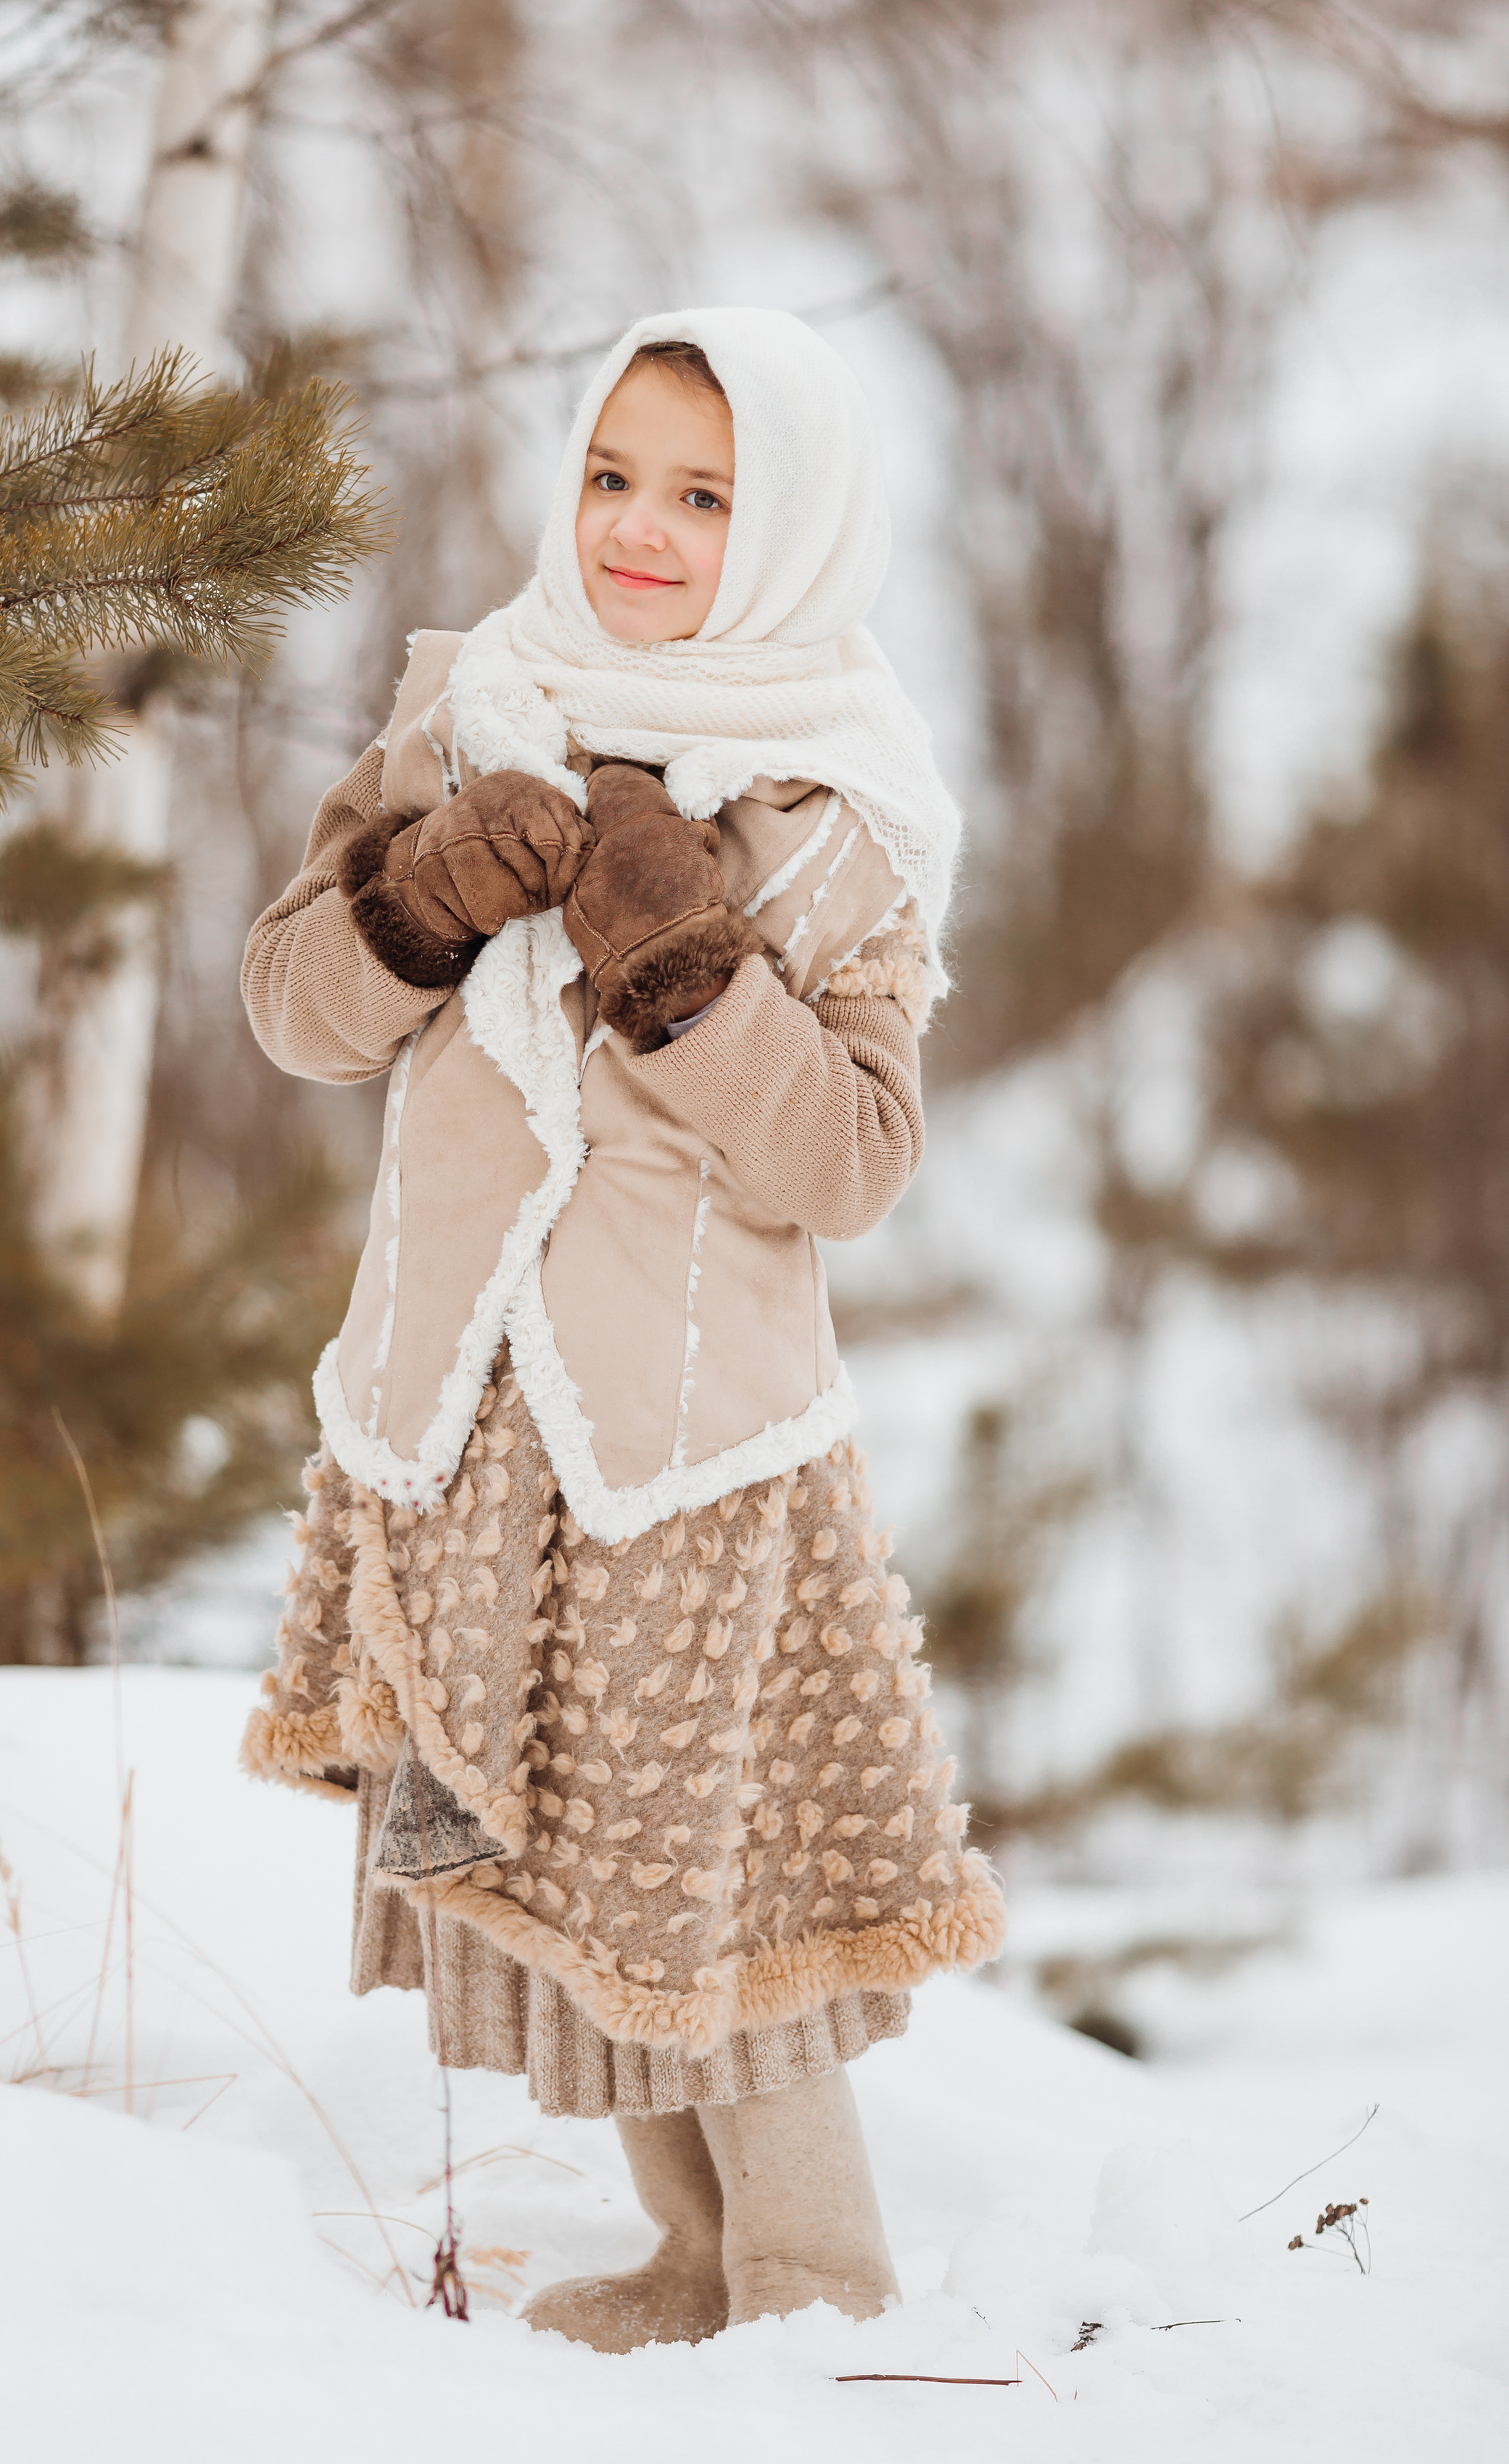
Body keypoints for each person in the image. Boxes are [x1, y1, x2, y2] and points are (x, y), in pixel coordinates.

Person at [239, 306, 1004, 2351]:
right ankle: (683, 2258)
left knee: (712, 1871)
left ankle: (815, 2275)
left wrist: (689, 972)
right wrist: (412, 903)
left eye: (702, 495)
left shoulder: (840, 812)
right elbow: (297, 1013)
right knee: (579, 1848)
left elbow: (848, 1165)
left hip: (687, 1436)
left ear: (791, 529)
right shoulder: (470, 713)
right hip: (462, 1408)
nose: (639, 531)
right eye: (612, 475)